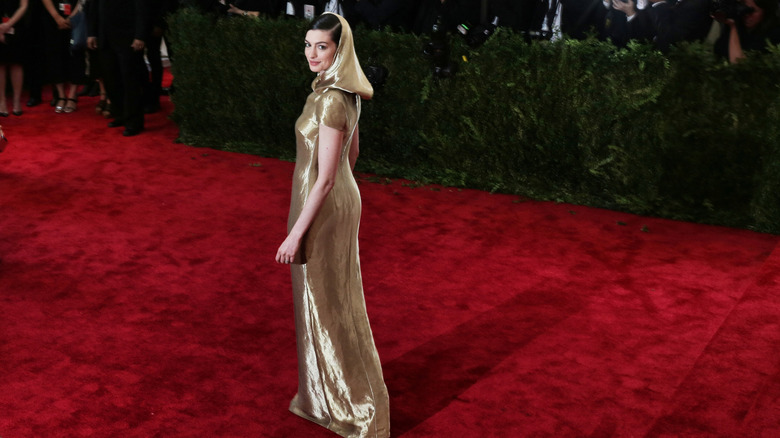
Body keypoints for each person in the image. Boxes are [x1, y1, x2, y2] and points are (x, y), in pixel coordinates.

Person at [274, 12, 389, 438]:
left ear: (339, 50)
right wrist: (337, 190)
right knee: (330, 301)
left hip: (320, 207)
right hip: (337, 199)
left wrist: (296, 232)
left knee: (326, 306)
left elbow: (322, 179)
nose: (311, 53)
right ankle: (323, 396)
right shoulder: (344, 92)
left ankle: (354, 405)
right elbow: (351, 157)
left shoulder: (330, 99)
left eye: (321, 46)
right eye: (307, 45)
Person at [86, 0, 149, 137]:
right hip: (105, 39)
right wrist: (91, 33)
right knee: (111, 80)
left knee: (130, 81)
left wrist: (140, 35)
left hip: (128, 38)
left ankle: (134, 121)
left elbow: (142, 8)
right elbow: (93, 7)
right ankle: (120, 114)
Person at [42, 0, 86, 114]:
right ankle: (61, 96)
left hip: (76, 17)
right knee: (55, 55)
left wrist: (72, 18)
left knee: (76, 55)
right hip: (53, 18)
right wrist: (57, 17)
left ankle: (72, 96)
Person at [714, 0, 780, 63]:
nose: (746, 14)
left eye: (752, 11)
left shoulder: (774, 34)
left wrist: (733, 27)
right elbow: (718, 51)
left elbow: (740, 64)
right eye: (744, 9)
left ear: (766, 11)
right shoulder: (739, 24)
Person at [0, 0, 28, 117]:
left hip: (17, 25)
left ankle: (17, 102)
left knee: (16, 63)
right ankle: (2, 102)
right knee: (0, 65)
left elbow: (24, 5)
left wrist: (9, 24)